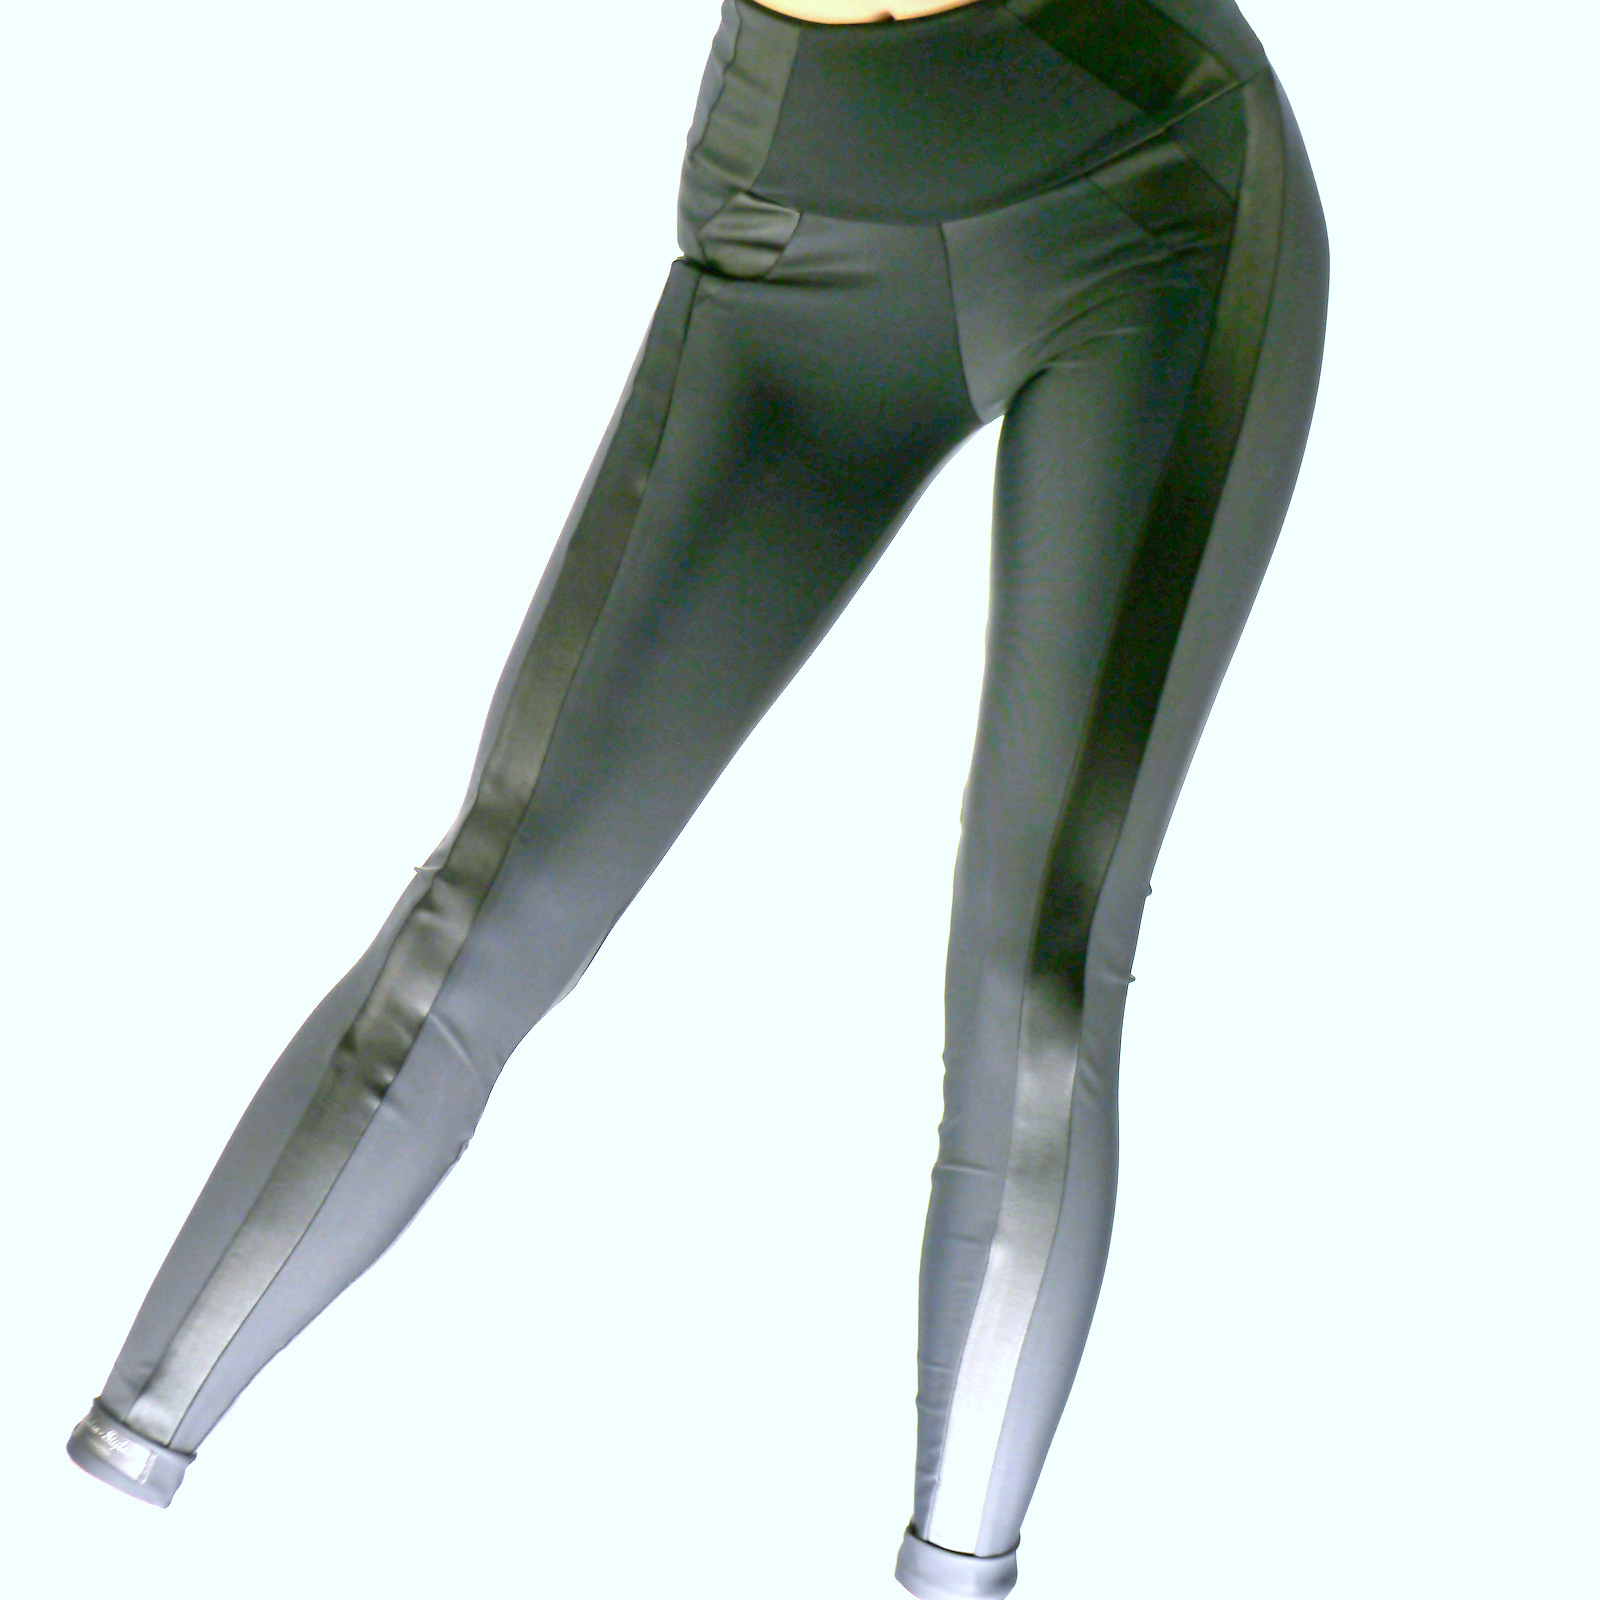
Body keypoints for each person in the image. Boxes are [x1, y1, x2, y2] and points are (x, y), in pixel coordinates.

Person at [66, 1, 1328, 1595]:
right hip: (792, 206)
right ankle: (119, 1471)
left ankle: (959, 1564)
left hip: (1144, 188)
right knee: (497, 900)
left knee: (1033, 970)